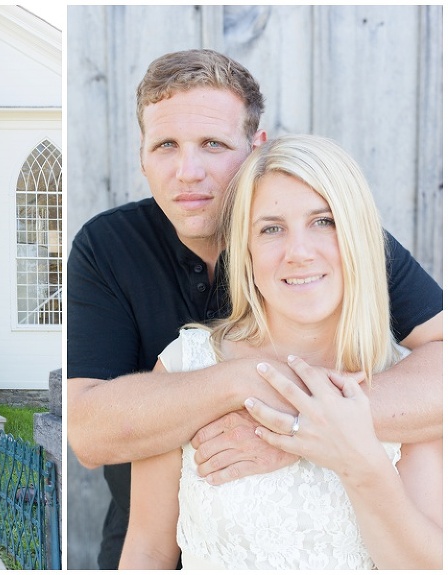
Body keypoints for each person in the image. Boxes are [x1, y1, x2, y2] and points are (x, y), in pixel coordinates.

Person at [66, 49, 443, 569]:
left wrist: (305, 429)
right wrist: (241, 383)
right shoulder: (108, 249)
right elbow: (88, 435)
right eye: (166, 145)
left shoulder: (337, 242)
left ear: (254, 147)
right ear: (142, 156)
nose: (188, 172)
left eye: (213, 144)